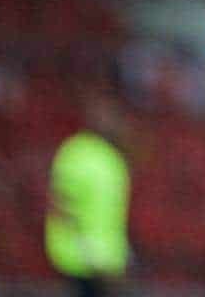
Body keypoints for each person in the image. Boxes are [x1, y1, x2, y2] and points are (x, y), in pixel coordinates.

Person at [46, 91, 132, 297]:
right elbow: (63, 206)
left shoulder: (109, 156)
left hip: (102, 261)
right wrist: (95, 259)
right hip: (82, 262)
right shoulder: (79, 153)